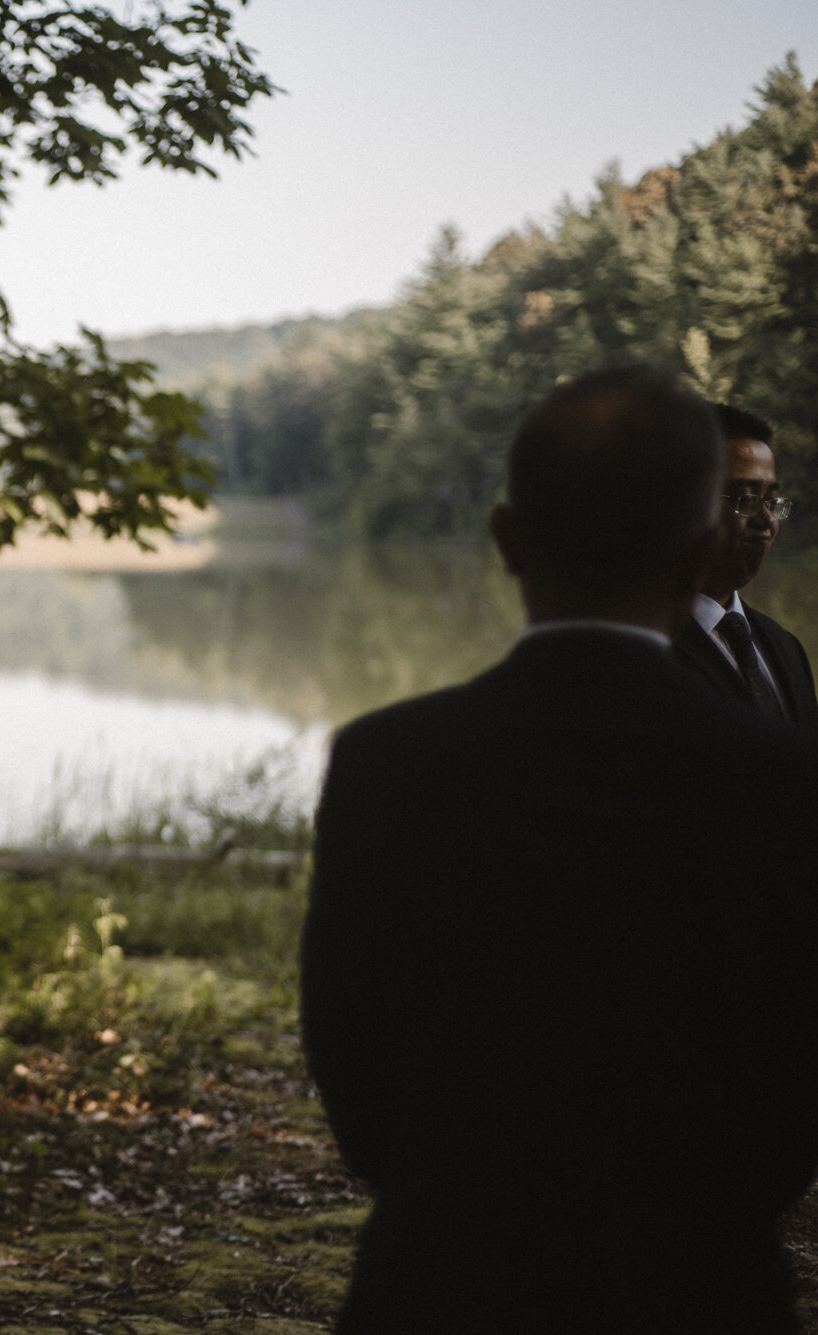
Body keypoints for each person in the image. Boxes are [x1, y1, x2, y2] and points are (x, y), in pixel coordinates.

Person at [300, 366, 818, 1333]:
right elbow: (793, 1079)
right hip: (705, 1286)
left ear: (505, 538)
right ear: (704, 541)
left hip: (442, 1279)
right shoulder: (782, 777)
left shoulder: (388, 761)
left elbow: (357, 1074)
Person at [672, 402, 815, 724]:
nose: (766, 521)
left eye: (770, 501)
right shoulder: (634, 655)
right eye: (745, 500)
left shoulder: (784, 646)